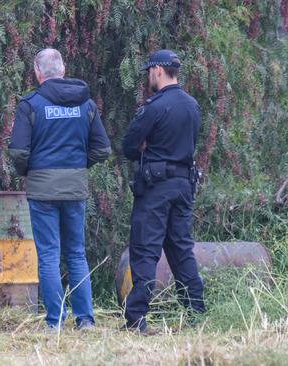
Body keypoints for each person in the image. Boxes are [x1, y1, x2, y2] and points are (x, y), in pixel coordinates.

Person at [9, 48, 111, 330]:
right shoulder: (86, 104)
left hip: (42, 190)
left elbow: (18, 151)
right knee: (77, 253)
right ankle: (86, 319)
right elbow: (102, 149)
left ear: (38, 73)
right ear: (63, 69)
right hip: (75, 188)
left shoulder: (30, 105)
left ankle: (54, 322)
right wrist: (79, 166)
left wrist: (28, 172)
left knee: (49, 255)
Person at [121, 49, 206, 335]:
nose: (148, 77)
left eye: (149, 71)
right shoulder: (192, 105)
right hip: (183, 186)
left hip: (156, 189)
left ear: (158, 70)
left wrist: (146, 148)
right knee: (182, 250)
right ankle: (196, 314)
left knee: (145, 250)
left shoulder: (154, 107)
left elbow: (129, 147)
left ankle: (136, 320)